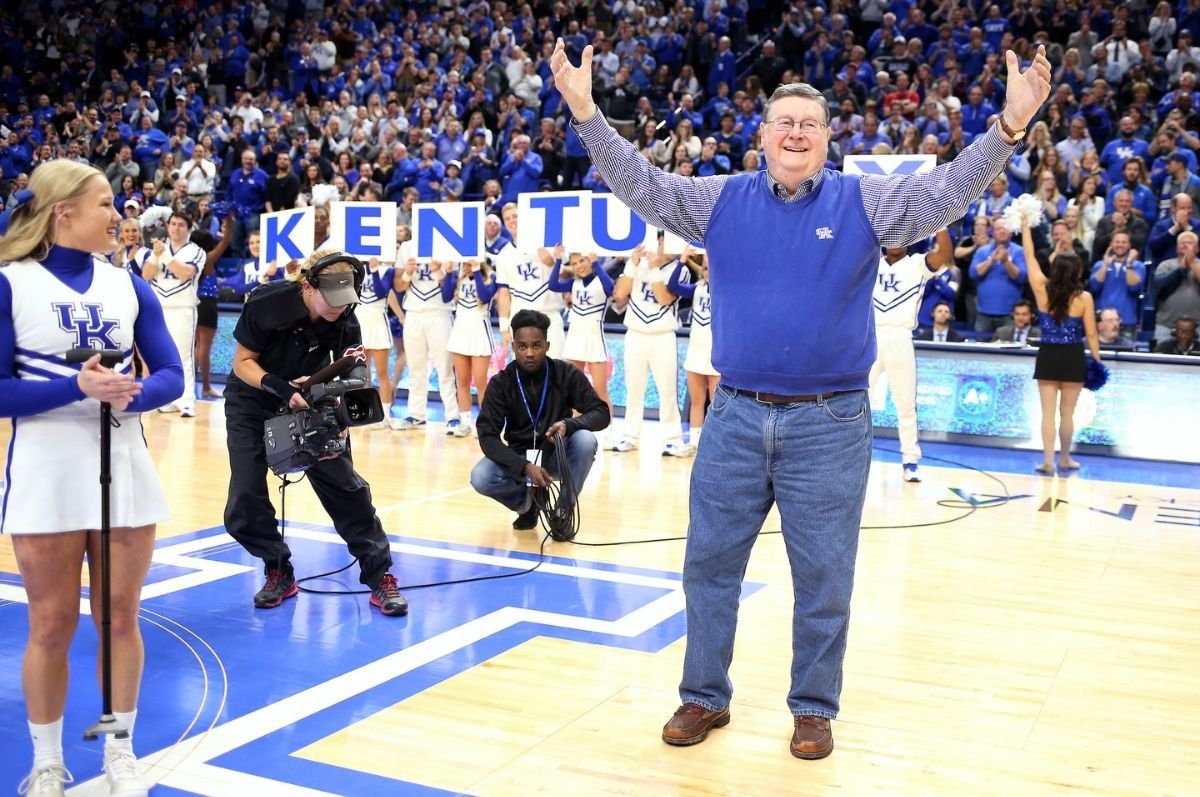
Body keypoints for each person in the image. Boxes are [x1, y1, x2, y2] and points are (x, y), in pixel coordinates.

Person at [550, 38, 1051, 758]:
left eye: (808, 124)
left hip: (831, 420)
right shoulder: (720, 200)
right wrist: (586, 111)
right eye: (782, 121)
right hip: (735, 413)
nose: (794, 132)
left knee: (823, 574)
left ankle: (813, 707)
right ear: (761, 137)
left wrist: (1006, 130)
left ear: (827, 139)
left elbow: (944, 192)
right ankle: (702, 696)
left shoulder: (866, 200)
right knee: (710, 564)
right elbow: (642, 184)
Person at [0, 160, 184, 796]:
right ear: (63, 213)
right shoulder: (9, 284)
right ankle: (46, 761)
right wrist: (74, 386)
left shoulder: (130, 285)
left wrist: (130, 393)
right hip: (46, 468)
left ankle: (118, 751)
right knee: (50, 623)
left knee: (120, 615)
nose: (118, 215)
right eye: (106, 204)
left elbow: (172, 373)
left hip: (123, 464)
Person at [221, 249, 408, 617]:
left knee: (347, 488)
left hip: (310, 402)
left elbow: (356, 372)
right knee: (244, 498)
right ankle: (278, 568)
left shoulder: (346, 320)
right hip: (253, 399)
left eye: (346, 298)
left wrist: (329, 391)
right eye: (332, 299)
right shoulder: (268, 303)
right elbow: (242, 362)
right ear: (308, 286)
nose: (340, 307)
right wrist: (280, 387)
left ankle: (380, 575)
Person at [469, 309, 610, 534]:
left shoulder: (565, 373)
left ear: (547, 345)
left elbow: (601, 413)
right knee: (480, 476)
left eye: (536, 345)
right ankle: (527, 506)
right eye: (522, 346)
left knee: (585, 439)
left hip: (557, 455)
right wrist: (523, 466)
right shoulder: (500, 383)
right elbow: (487, 437)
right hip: (520, 459)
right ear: (514, 347)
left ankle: (563, 510)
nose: (530, 353)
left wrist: (569, 424)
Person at [1019, 215, 1102, 474]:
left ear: (1054, 270)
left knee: (1047, 414)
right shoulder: (1084, 297)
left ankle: (1047, 461)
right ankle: (1065, 458)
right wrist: (1097, 362)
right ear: (1077, 272)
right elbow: (1091, 334)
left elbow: (1030, 258)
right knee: (1067, 413)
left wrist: (1024, 226)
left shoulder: (1042, 290)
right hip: (1073, 356)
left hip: (1048, 355)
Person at [869, 229, 953, 482]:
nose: (896, 240)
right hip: (869, 336)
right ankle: (848, 455)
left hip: (901, 336)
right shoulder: (869, 260)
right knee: (857, 401)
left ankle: (910, 459)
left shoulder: (918, 264)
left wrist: (942, 223)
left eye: (902, 236)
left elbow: (945, 254)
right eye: (891, 236)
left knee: (906, 404)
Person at [610, 242, 693, 456]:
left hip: (663, 336)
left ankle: (672, 439)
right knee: (634, 389)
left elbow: (665, 299)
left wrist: (654, 268)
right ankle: (630, 435)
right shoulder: (639, 264)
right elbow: (620, 295)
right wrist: (632, 264)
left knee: (667, 391)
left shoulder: (680, 270)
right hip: (635, 333)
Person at [391, 239, 462, 432]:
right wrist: (407, 273)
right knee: (416, 369)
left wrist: (439, 271)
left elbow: (451, 289)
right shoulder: (407, 247)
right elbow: (398, 286)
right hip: (413, 313)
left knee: (445, 369)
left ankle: (453, 416)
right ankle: (416, 414)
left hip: (440, 313)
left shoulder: (450, 245)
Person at [142, 211, 205, 417]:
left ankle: (187, 401)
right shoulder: (159, 249)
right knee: (161, 356)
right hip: (158, 309)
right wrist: (155, 254)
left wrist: (164, 256)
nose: (176, 228)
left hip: (183, 308)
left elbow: (186, 272)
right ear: (168, 226)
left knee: (183, 356)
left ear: (188, 229)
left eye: (181, 225)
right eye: (173, 224)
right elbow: (146, 274)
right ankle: (167, 399)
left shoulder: (196, 251)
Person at [544, 245, 616, 426]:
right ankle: (574, 426)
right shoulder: (573, 283)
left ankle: (607, 429)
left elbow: (611, 287)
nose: (578, 266)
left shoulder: (601, 280)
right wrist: (559, 259)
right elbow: (553, 285)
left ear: (590, 260)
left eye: (582, 261)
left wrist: (596, 264)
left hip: (594, 339)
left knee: (600, 390)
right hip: (575, 337)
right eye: (574, 263)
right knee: (573, 389)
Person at [667, 248, 718, 450]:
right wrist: (682, 261)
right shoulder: (696, 290)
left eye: (711, 269)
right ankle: (695, 443)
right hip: (696, 351)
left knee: (717, 404)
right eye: (705, 269)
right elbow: (672, 285)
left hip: (716, 353)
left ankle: (715, 444)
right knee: (697, 401)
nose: (708, 272)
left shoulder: (727, 291)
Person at [444, 259, 498, 435]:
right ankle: (465, 422)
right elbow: (445, 297)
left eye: (470, 264)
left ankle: (484, 425)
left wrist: (476, 272)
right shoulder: (459, 279)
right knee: (462, 381)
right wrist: (450, 273)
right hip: (460, 331)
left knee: (481, 382)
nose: (466, 268)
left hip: (479, 332)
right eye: (464, 264)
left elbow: (484, 296)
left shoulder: (490, 278)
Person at [193, 218, 233, 400]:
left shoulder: (189, 259)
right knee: (204, 349)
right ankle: (206, 387)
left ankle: (189, 383)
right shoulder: (206, 258)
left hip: (194, 304)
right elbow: (226, 241)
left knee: (195, 347)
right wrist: (230, 221)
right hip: (207, 305)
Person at [355, 255, 398, 425]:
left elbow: (381, 292)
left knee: (382, 373)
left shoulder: (387, 270)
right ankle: (362, 411)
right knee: (360, 374)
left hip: (379, 323)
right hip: (359, 322)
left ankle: (385, 414)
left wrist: (373, 271)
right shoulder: (356, 269)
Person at [969, 218, 1028, 333]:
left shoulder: (1019, 251)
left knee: (1009, 349)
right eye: (998, 229)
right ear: (992, 232)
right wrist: (991, 260)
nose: (1002, 231)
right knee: (979, 348)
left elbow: (1022, 277)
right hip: (984, 313)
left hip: (1010, 314)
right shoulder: (982, 251)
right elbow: (973, 273)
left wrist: (1006, 261)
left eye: (1005, 228)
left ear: (1011, 231)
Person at [1088, 231, 1145, 335]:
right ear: (1111, 244)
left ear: (1129, 245)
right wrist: (1105, 265)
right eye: (1117, 242)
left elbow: (1134, 287)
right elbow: (1095, 286)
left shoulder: (1138, 266)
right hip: (1102, 320)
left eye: (1124, 242)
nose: (1120, 245)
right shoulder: (1099, 265)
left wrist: (1129, 264)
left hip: (1127, 320)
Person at [1153, 231, 1200, 341]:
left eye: (1189, 243)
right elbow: (1160, 287)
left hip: (1198, 326)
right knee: (1161, 357)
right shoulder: (1166, 265)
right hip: (1166, 326)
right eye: (1182, 243)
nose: (1185, 245)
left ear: (1197, 248)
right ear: (1176, 248)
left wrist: (1192, 264)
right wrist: (1181, 269)